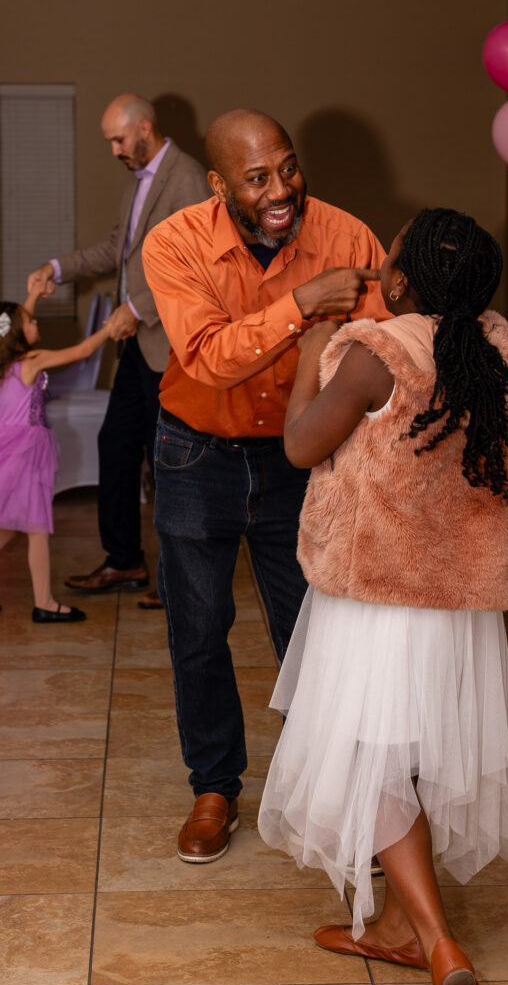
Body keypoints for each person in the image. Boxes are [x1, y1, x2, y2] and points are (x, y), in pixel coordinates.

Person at [258, 208, 508, 985]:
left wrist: (314, 354)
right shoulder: (498, 349)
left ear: (399, 282)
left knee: (369, 756)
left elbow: (302, 447)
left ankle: (432, 936)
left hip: (377, 596)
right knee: (407, 755)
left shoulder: (375, 355)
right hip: (456, 602)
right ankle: (389, 924)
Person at [141, 108, 390, 863]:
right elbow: (210, 356)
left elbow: (380, 346)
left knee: (313, 634)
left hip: (300, 463)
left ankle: (330, 789)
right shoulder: (174, 242)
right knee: (198, 628)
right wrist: (304, 306)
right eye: (257, 178)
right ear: (218, 185)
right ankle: (214, 787)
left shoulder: (348, 237)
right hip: (194, 456)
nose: (281, 189)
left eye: (287, 167)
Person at [26, 93, 210, 610]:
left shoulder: (188, 178)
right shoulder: (139, 180)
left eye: (118, 139)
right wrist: (56, 269)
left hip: (171, 344)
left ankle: (180, 582)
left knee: (168, 462)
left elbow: (198, 267)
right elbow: (116, 251)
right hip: (138, 346)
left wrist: (138, 307)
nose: (113, 149)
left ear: (145, 128)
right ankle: (124, 559)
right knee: (116, 443)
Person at [0, 285, 115, 622]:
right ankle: (44, 603)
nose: (37, 323)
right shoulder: (32, 361)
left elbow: (14, 319)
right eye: (32, 321)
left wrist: (33, 294)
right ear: (20, 333)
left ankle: (44, 601)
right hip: (26, 452)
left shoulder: (5, 363)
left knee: (7, 525)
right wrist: (111, 327)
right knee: (36, 527)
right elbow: (81, 352)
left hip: (8, 448)